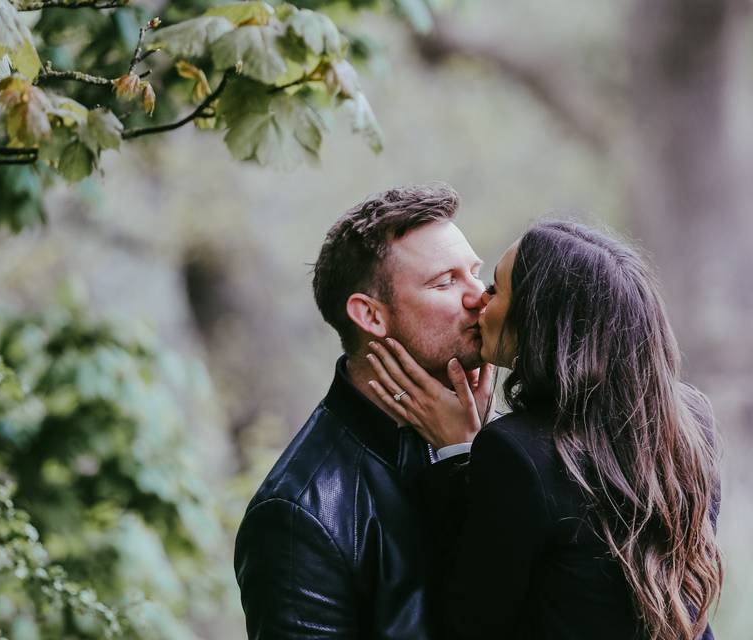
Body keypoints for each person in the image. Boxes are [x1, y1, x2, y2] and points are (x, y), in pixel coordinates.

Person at [367, 220, 722, 640]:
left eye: (496, 290)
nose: (481, 298)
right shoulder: (692, 420)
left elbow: (469, 622)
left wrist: (458, 456)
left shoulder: (515, 453)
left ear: (537, 319)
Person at [233, 184, 494, 638]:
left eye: (475, 272)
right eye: (446, 281)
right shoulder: (299, 516)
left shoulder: (480, 440)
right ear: (371, 316)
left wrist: (472, 457)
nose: (480, 295)